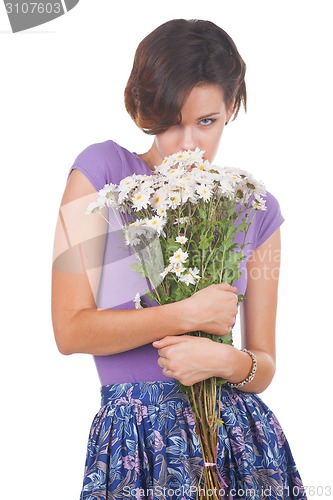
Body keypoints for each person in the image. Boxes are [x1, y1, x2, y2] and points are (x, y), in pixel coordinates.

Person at [52, 19, 307, 500]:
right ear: (144, 110)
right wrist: (184, 315)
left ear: (231, 107)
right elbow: (69, 330)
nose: (188, 143)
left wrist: (226, 361)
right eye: (169, 122)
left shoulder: (255, 208)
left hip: (239, 446)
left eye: (207, 121)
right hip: (137, 446)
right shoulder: (101, 174)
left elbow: (265, 364)